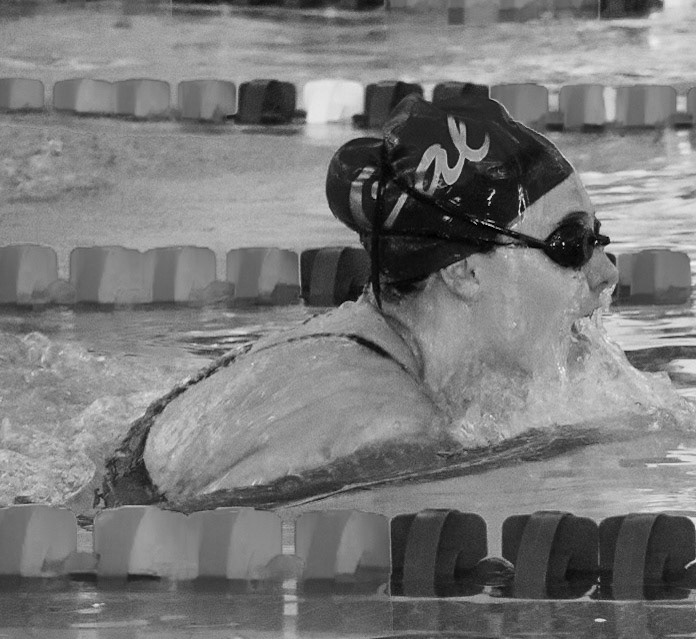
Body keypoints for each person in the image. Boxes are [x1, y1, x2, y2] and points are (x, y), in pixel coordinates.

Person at [99, 94, 618, 508]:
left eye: (599, 239)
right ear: (464, 271)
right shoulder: (388, 430)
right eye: (570, 245)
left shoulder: (343, 343)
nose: (604, 273)